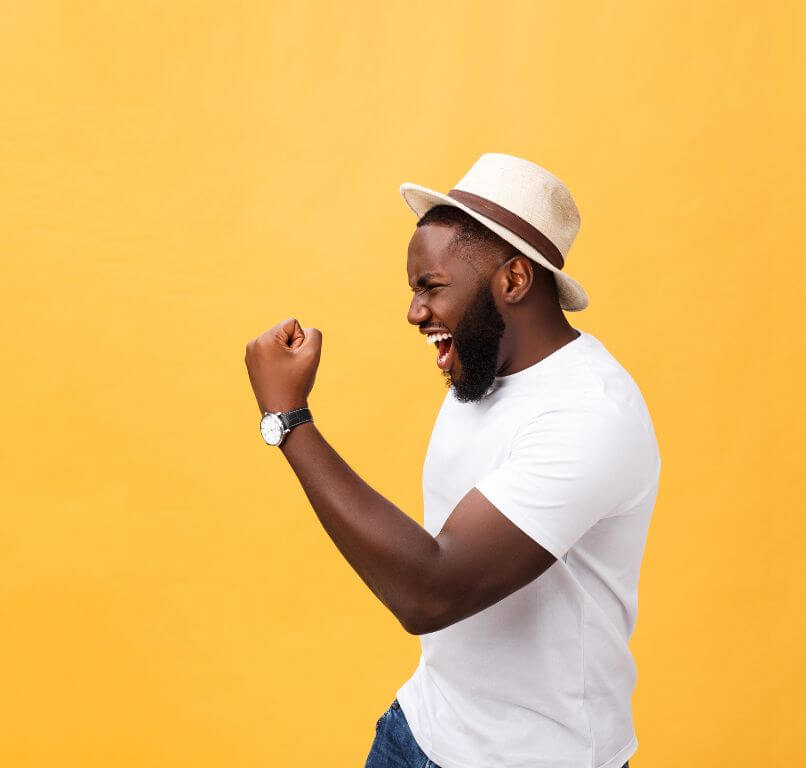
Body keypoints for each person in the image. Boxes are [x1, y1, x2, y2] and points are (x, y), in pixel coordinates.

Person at [244, 153, 661, 768]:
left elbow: (431, 592)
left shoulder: (590, 415)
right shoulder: (484, 368)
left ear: (513, 281)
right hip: (420, 731)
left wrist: (290, 421)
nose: (415, 313)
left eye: (431, 288)